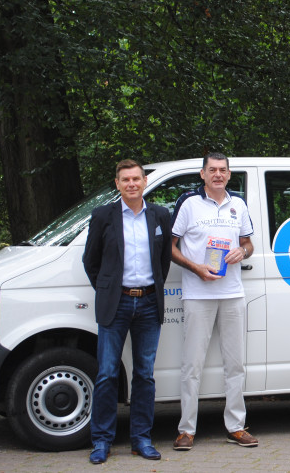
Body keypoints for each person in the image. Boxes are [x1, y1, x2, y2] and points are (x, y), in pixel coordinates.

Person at [82, 159, 172, 464]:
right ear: (118, 184)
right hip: (116, 304)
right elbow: (90, 261)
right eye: (125, 180)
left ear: (145, 181)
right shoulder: (103, 216)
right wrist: (108, 291)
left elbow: (163, 261)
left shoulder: (159, 214)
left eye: (136, 178)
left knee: (144, 374)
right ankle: (102, 441)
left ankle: (141, 439)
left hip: (148, 303)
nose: (131, 184)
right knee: (107, 374)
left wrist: (149, 290)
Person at [171, 152, 258, 451]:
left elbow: (248, 243)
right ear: (202, 174)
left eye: (222, 170)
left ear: (229, 175)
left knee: (235, 365)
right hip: (198, 294)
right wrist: (196, 268)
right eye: (212, 170)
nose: (218, 174)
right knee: (191, 365)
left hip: (232, 293)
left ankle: (236, 426)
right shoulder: (189, 204)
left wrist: (242, 253)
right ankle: (186, 430)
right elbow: (169, 247)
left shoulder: (239, 205)